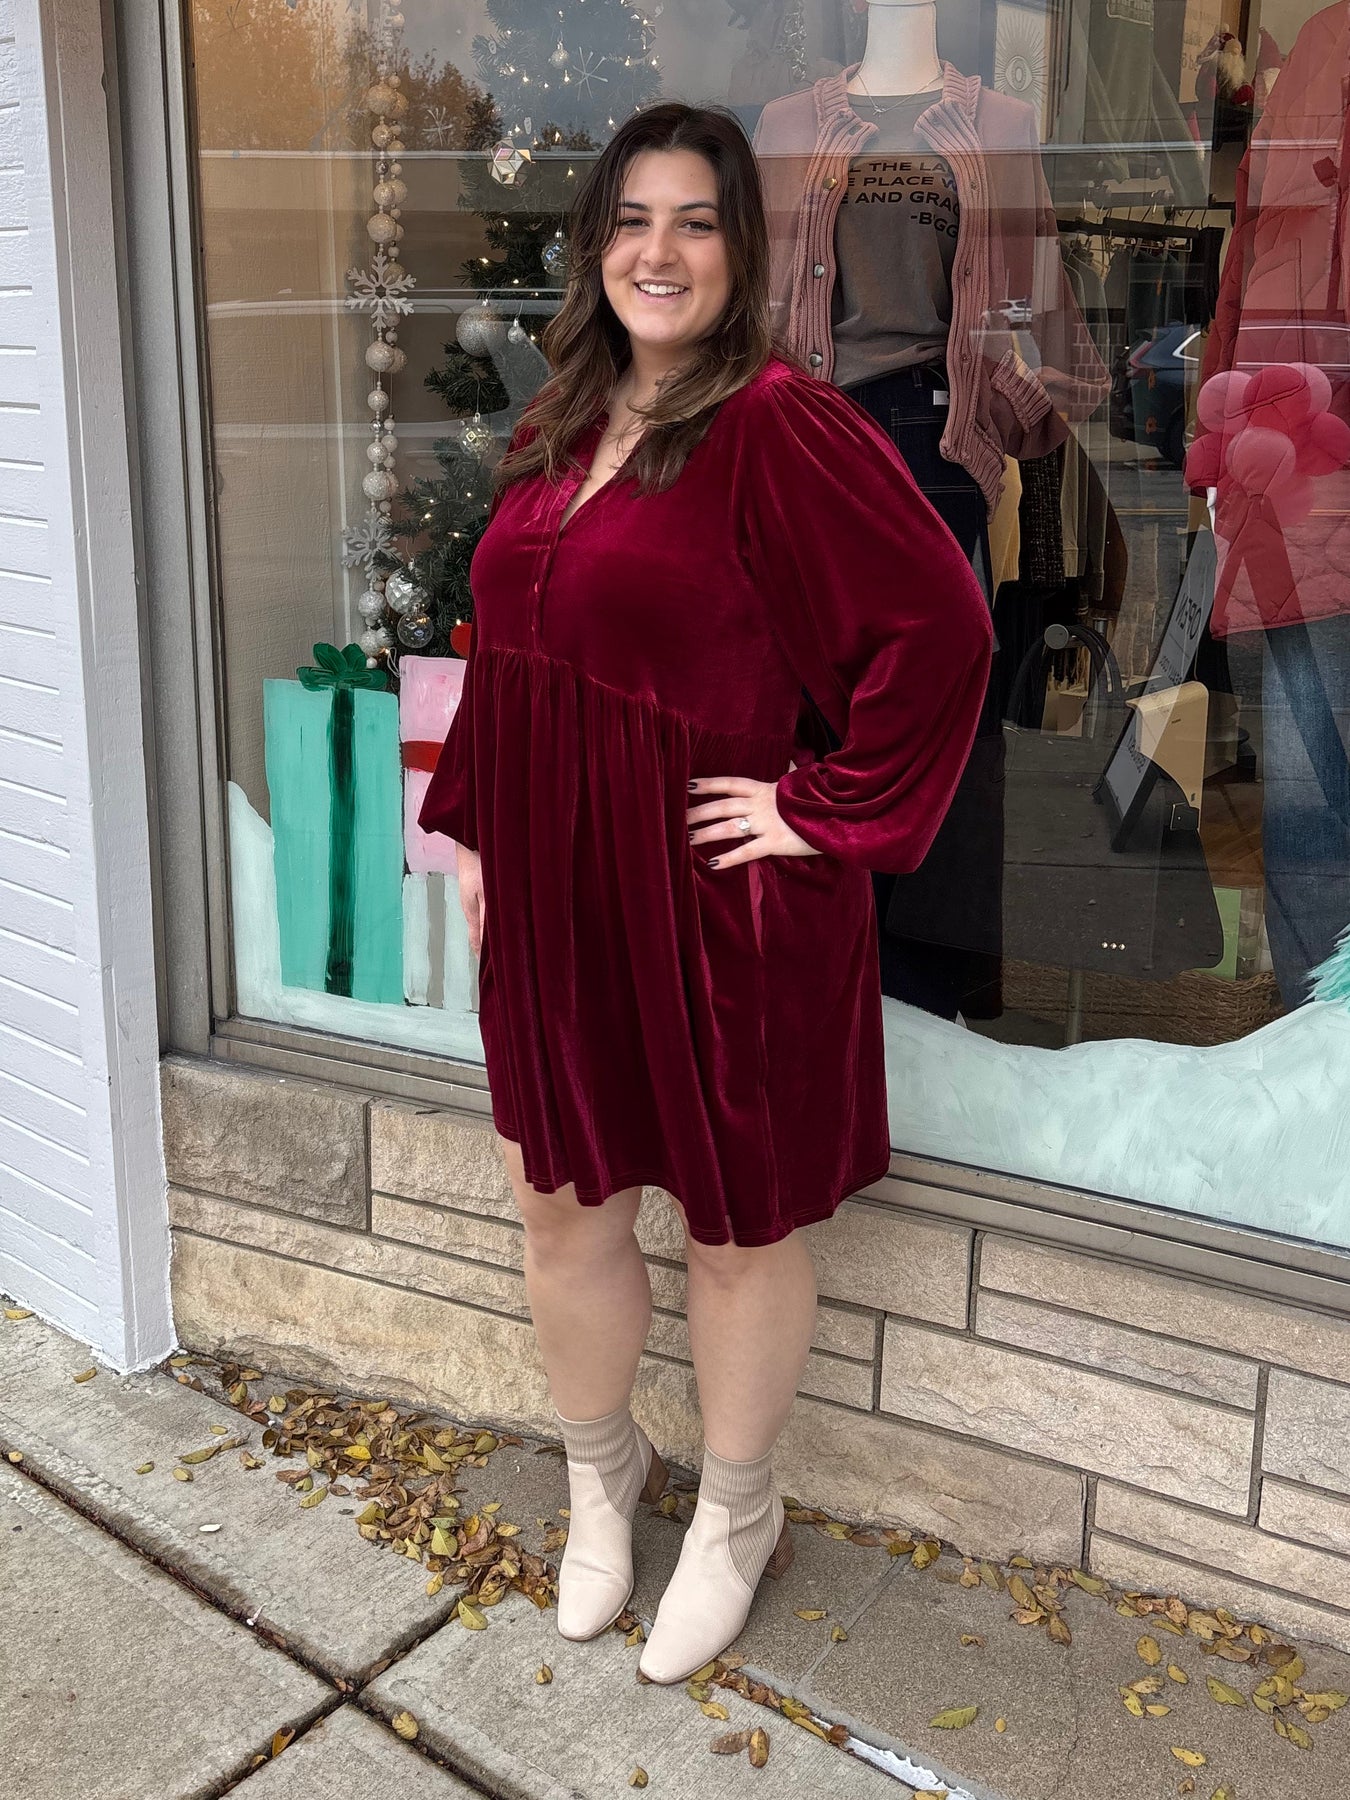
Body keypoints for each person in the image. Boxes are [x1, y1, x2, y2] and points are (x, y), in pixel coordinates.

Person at [418, 100, 991, 1686]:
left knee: (736, 1229)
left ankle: (737, 1515)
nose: (656, 253)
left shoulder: (782, 424)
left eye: (693, 222)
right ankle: (601, 1478)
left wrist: (819, 809)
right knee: (562, 1206)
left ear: (740, 251)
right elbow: (509, 649)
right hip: (555, 892)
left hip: (714, 898)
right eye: (629, 220)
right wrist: (475, 833)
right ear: (594, 244)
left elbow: (940, 631)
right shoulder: (557, 422)